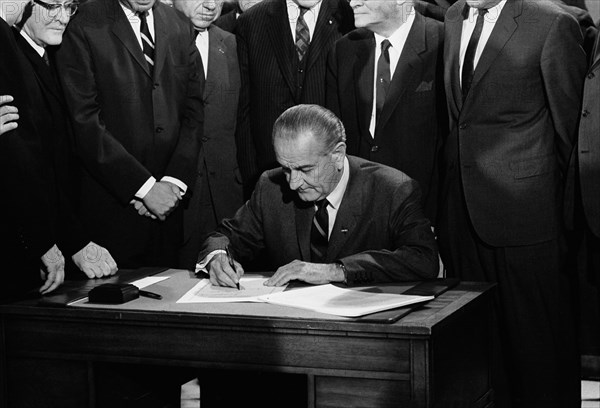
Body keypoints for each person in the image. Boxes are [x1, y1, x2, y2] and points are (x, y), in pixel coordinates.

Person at [196, 104, 437, 407]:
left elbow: (422, 259)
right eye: (286, 169)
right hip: (289, 354)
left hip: (366, 353)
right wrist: (218, 255)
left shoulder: (392, 188)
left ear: (338, 154)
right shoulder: (270, 186)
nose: (293, 183)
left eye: (305, 170)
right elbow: (225, 236)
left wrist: (334, 270)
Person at [438, 0, 587, 407]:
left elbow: (570, 130)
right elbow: (457, 120)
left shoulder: (552, 23)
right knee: (479, 350)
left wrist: (558, 212)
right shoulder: (453, 17)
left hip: (529, 215)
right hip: (462, 211)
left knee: (539, 349)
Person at [56, 0, 205, 269]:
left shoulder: (179, 24)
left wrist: (172, 183)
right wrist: (145, 188)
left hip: (169, 214)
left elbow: (193, 112)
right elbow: (85, 122)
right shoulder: (81, 23)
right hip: (110, 217)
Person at [14, 0, 118, 280]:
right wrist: (68, 241)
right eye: (51, 6)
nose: (62, 17)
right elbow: (25, 168)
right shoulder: (11, 60)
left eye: (69, 7)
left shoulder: (53, 55)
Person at [327, 0, 444, 222]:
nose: (353, 3)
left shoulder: (444, 43)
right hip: (359, 211)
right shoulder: (343, 49)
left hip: (424, 212)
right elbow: (336, 138)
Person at [235, 0, 354, 198]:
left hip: (333, 183)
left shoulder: (351, 18)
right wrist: (253, 183)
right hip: (271, 178)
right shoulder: (252, 21)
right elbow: (244, 112)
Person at [172, 0, 244, 269]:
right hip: (175, 196)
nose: (211, 4)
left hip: (224, 197)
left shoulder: (231, 43)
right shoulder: (154, 40)